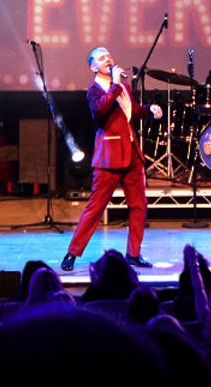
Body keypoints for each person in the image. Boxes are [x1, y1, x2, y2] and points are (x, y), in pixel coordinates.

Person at [63, 47, 161, 272]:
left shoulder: (124, 86)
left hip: (132, 152)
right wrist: (115, 85)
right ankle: (73, 252)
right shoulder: (95, 90)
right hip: (109, 156)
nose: (108, 58)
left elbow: (132, 111)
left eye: (109, 55)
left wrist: (148, 110)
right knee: (96, 207)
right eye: (101, 57)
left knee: (139, 205)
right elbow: (101, 112)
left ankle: (133, 254)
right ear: (93, 67)